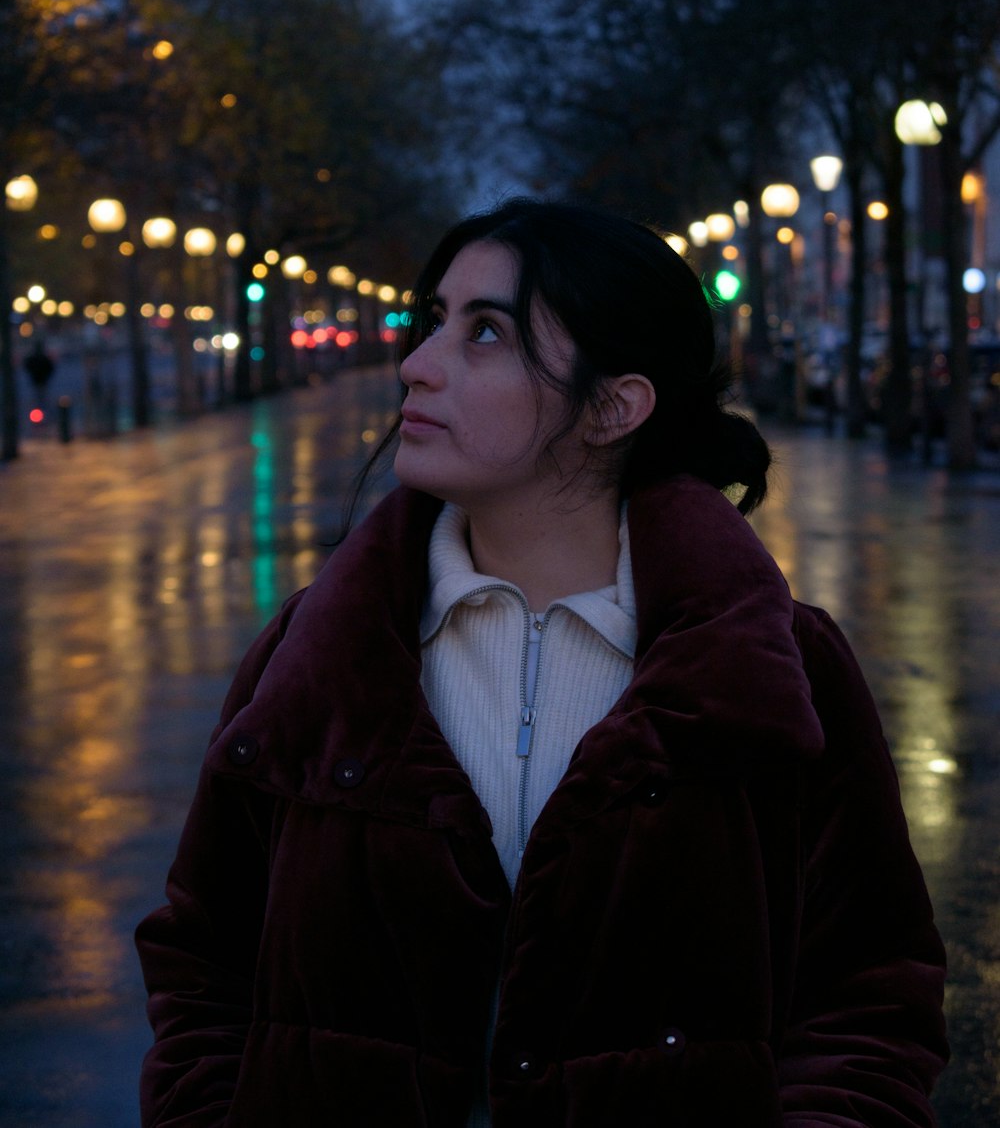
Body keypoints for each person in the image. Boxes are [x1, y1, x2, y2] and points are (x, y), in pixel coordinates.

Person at [136, 198, 948, 1127]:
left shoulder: (777, 670)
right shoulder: (315, 657)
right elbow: (202, 963)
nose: (415, 365)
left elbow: (871, 994)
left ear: (614, 406)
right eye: (433, 320)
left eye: (485, 333)